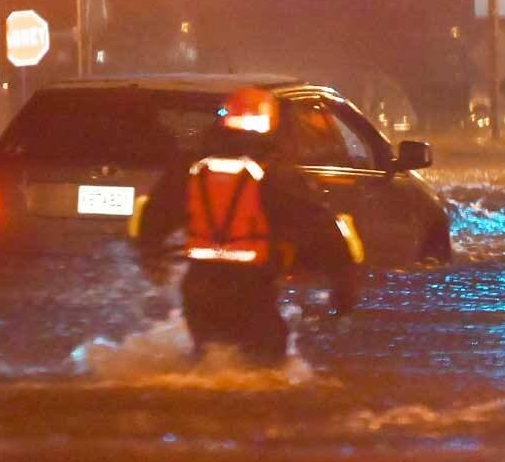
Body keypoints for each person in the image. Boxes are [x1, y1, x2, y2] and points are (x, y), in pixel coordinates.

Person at [130, 86, 360, 363]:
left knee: (209, 362)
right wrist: (343, 285)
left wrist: (150, 255)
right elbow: (319, 230)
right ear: (270, 124)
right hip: (251, 291)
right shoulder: (275, 175)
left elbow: (154, 219)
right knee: (265, 367)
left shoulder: (190, 171)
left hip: (199, 289)